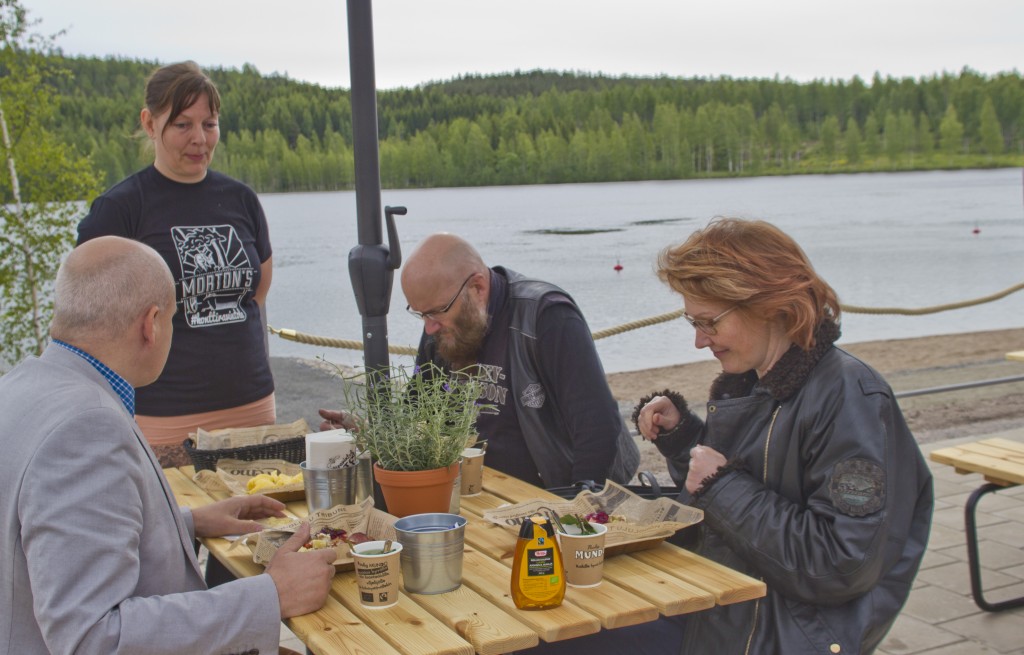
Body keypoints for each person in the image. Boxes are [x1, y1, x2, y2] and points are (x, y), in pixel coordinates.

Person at [0, 236, 335, 654]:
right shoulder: (86, 427)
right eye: (174, 319)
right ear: (151, 323)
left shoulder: (21, 386)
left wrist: (184, 522)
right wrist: (272, 594)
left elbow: (52, 535)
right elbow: (93, 638)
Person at [633, 218, 933, 654]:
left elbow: (841, 564)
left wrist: (721, 485)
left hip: (784, 634)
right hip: (730, 606)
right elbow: (753, 493)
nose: (700, 341)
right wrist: (684, 440)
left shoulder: (852, 397)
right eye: (691, 322)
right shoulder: (756, 381)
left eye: (709, 322)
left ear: (771, 305)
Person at [322, 232, 639, 488]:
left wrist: (576, 510)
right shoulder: (442, 326)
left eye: (435, 312)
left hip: (556, 495)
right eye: (421, 314)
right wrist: (367, 431)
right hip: (479, 495)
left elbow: (597, 425)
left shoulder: (547, 317)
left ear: (477, 288)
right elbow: (415, 413)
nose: (428, 326)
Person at [77, 61, 274, 468]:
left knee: (263, 527)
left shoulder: (241, 200)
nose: (199, 139)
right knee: (174, 529)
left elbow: (257, 293)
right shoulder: (121, 209)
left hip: (253, 406)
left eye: (210, 123)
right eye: (182, 124)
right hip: (163, 415)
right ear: (150, 123)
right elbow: (90, 319)